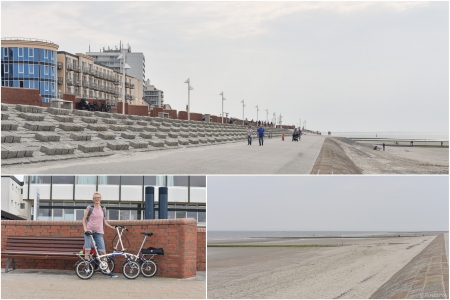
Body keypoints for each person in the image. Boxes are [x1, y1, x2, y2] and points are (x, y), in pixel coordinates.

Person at [82, 192, 118, 278]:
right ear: (93, 199)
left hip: (98, 232)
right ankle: (87, 269)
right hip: (89, 232)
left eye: (98, 197)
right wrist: (86, 230)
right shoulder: (89, 208)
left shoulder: (103, 209)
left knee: (103, 252)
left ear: (100, 198)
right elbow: (83, 220)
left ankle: (107, 270)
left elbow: (104, 222)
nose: (97, 199)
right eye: (95, 198)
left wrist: (113, 227)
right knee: (87, 250)